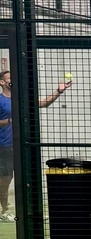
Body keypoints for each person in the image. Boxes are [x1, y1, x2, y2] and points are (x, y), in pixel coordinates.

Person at [0, 69, 72, 217]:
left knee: (26, 175)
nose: (13, 79)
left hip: (22, 144)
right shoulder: (0, 100)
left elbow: (44, 103)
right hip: (5, 145)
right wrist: (11, 120)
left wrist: (59, 91)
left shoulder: (21, 98)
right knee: (6, 178)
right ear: (2, 82)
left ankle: (29, 210)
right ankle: (5, 210)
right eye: (9, 77)